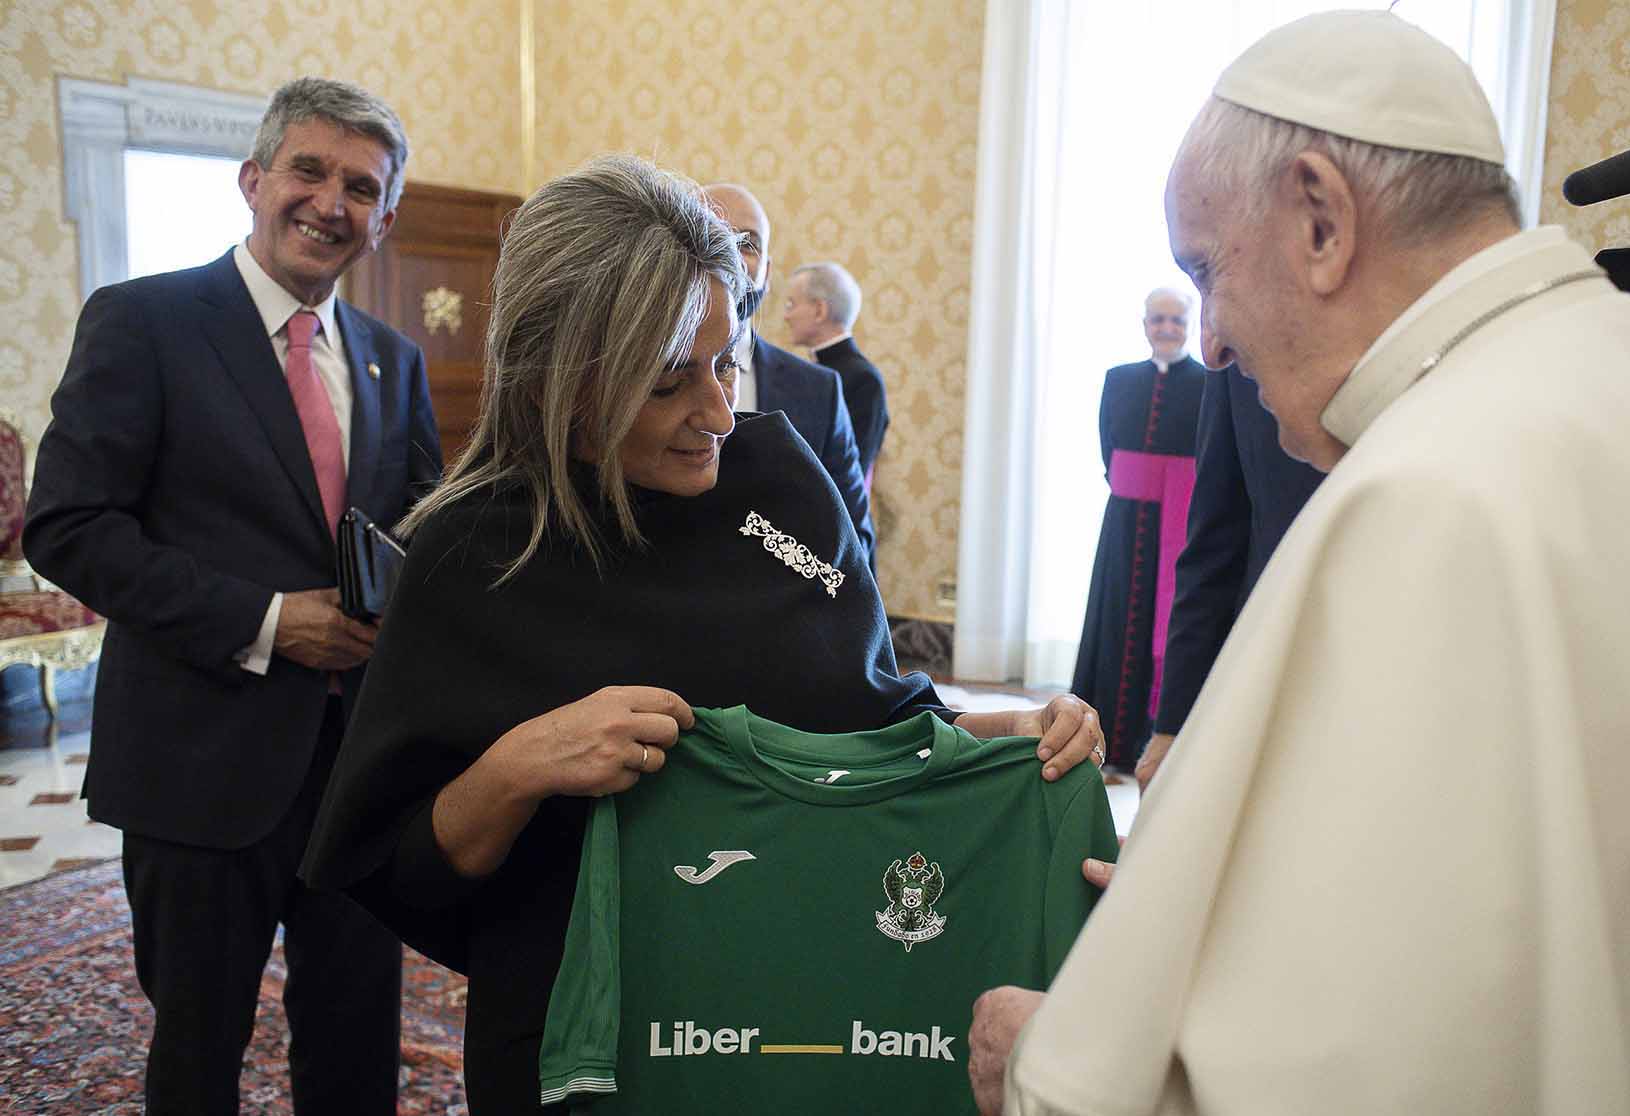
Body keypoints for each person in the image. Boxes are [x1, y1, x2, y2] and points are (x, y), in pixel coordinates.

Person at [970, 11, 1630, 1114]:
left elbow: (1363, 1072)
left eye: (1205, 268)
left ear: (1321, 219)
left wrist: (1060, 1060)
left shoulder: (1432, 491)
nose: (1211, 339)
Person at [298, 155, 1105, 1113]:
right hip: (584, 1051)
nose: (719, 412)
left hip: (806, 1016)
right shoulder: (473, 553)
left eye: (727, 362)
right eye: (669, 382)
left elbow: (870, 723)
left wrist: (1001, 736)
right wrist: (521, 766)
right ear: (561, 377)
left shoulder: (782, 487)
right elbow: (401, 869)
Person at [23, 77, 439, 1114]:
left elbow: (420, 529)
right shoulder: (143, 321)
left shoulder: (393, 361)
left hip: (356, 772)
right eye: (308, 170)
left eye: (361, 187)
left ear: (385, 219)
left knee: (356, 1044)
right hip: (197, 764)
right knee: (199, 1048)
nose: (330, 203)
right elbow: (68, 527)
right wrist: (270, 621)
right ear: (254, 179)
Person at [1134, 366, 1322, 791]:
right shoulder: (1233, 366)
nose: (1209, 347)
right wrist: (1173, 726)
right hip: (1268, 670)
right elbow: (1215, 546)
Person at [1068, 288, 1206, 770]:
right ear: (1144, 323)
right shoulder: (1119, 378)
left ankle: (1153, 741)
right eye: (1157, 319)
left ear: (1190, 324)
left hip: (1182, 524)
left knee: (1168, 626)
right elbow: (1109, 450)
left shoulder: (1209, 383)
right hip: (1125, 523)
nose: (1166, 328)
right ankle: (1103, 740)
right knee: (1115, 620)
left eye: (1176, 320)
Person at [702, 182, 876, 562]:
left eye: (747, 243)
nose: (729, 252)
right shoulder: (629, 379)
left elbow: (854, 544)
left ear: (766, 272)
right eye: (712, 234)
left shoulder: (820, 392)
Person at [783, 261, 891, 482]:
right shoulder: (807, 372)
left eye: (791, 304)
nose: (787, 316)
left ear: (819, 310)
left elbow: (853, 474)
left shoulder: (863, 380)